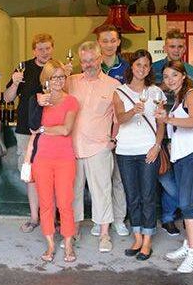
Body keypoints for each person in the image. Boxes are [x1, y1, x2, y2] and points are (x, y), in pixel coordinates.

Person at [156, 60, 193, 273]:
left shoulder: (191, 94)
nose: (170, 80)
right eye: (166, 77)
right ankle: (189, 244)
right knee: (192, 201)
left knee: (187, 204)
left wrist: (168, 119)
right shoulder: (179, 98)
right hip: (182, 157)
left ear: (183, 75)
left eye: (174, 75)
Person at [66, 41, 120, 253]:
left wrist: (112, 141)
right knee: (73, 192)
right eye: (85, 60)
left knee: (102, 191)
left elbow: (118, 118)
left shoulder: (113, 85)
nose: (88, 64)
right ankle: (75, 230)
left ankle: (104, 234)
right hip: (71, 147)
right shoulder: (69, 81)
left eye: (92, 60)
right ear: (80, 61)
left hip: (99, 147)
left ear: (99, 59)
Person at [113, 49, 164, 261]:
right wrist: (133, 111)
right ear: (131, 67)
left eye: (146, 65)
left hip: (147, 150)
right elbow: (119, 119)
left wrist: (157, 146)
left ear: (149, 68)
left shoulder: (156, 92)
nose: (142, 69)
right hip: (125, 150)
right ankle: (137, 236)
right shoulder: (119, 91)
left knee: (148, 196)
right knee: (132, 196)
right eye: (138, 65)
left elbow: (162, 122)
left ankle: (148, 240)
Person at [3, 33, 55, 233]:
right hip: (26, 130)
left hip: (52, 130)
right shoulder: (23, 68)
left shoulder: (57, 69)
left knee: (51, 174)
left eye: (47, 48)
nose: (44, 52)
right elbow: (8, 98)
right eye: (40, 48)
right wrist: (15, 83)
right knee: (30, 175)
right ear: (34, 50)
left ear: (52, 48)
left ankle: (51, 215)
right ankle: (35, 217)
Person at [28, 59, 79, 263]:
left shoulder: (71, 101)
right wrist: (38, 106)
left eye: (61, 76)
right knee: (46, 203)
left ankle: (68, 244)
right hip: (42, 158)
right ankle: (50, 245)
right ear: (45, 80)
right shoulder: (37, 99)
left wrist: (43, 130)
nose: (58, 81)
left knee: (65, 203)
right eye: (53, 77)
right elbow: (31, 126)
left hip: (65, 157)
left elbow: (66, 129)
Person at [152, 28, 193, 237]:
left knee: (180, 177)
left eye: (180, 46)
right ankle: (172, 216)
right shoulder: (154, 69)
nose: (176, 50)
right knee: (167, 179)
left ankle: (178, 215)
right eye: (172, 46)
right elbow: (150, 97)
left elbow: (192, 100)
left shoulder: (190, 69)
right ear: (165, 48)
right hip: (161, 132)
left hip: (184, 130)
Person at [94, 25, 130, 237]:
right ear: (99, 43)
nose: (108, 44)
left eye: (112, 40)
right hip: (97, 133)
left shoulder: (126, 68)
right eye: (104, 40)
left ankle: (118, 219)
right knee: (99, 180)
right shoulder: (91, 67)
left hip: (122, 131)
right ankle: (101, 219)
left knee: (118, 178)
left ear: (118, 42)